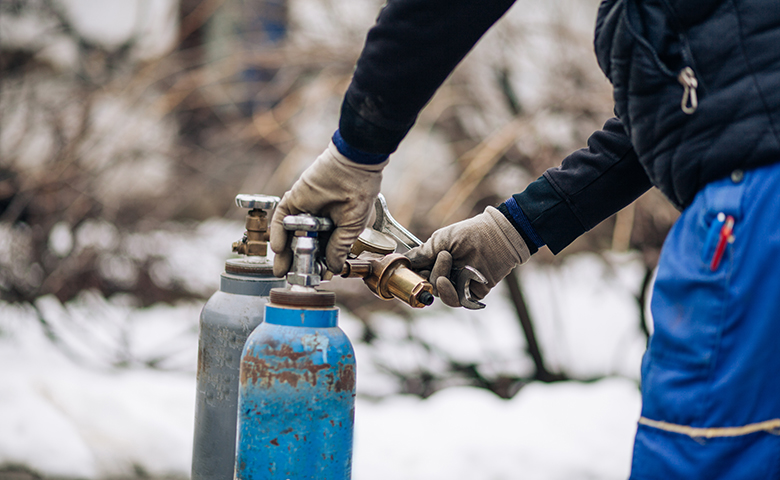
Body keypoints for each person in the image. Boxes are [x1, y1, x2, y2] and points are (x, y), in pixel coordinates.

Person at [269, 0, 780, 477]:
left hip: (756, 216)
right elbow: (689, 114)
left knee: (709, 456)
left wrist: (354, 153)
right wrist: (515, 229)